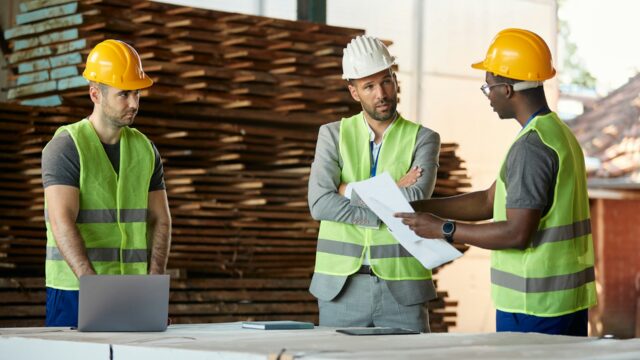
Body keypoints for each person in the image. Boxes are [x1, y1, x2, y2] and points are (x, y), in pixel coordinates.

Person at [396, 28, 596, 336]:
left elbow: (517, 233)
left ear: (507, 90)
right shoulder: (555, 133)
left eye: (488, 87)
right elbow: (490, 200)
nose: (487, 95)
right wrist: (417, 206)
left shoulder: (531, 147)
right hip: (561, 302)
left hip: (534, 307)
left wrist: (443, 229)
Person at [308, 35, 441, 332]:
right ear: (354, 92)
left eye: (386, 81)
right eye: (369, 86)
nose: (381, 93)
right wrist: (390, 192)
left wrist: (346, 190)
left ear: (395, 80)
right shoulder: (332, 135)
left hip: (403, 290)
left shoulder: (424, 138)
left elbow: (414, 198)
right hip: (340, 288)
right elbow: (319, 204)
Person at [42, 39, 172, 327]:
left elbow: (160, 221)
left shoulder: (145, 149)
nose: (134, 104)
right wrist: (94, 289)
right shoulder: (66, 146)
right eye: (123, 94)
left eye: (137, 94)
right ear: (95, 94)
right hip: (74, 291)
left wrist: (155, 288)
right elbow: (62, 222)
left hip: (134, 291)